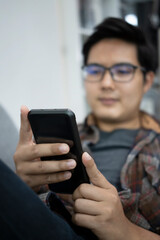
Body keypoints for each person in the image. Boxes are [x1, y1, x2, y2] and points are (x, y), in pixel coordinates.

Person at [12, 17, 160, 239]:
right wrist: (22, 188)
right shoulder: (55, 140)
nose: (106, 83)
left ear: (147, 81)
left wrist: (126, 231)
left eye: (122, 70)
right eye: (94, 70)